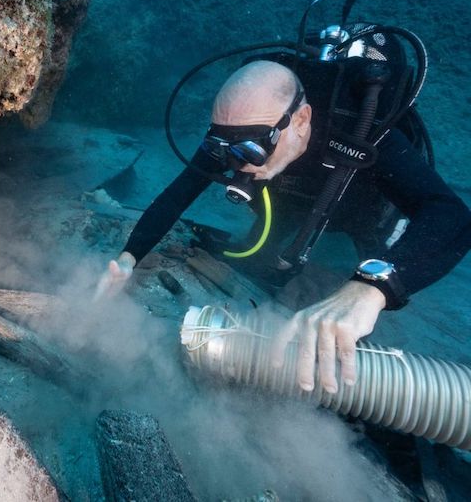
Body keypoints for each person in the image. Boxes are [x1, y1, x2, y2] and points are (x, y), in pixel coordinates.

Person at [96, 60, 471, 395]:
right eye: (227, 150)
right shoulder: (236, 134)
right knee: (263, 259)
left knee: (351, 318)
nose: (238, 166)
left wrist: (373, 287)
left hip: (361, 210)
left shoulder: (361, 129)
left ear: (302, 119)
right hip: (291, 204)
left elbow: (452, 216)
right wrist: (128, 259)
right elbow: (175, 196)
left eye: (250, 152)